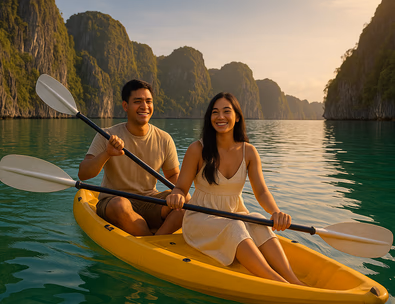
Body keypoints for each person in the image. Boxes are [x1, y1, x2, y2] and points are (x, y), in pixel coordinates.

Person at [166, 92, 304, 285]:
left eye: (226, 111)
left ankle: (293, 280)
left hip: (235, 214)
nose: (220, 117)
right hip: (201, 219)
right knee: (235, 225)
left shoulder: (249, 152)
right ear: (209, 117)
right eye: (215, 112)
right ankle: (278, 283)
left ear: (237, 117)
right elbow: (180, 188)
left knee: (257, 219)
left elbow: (262, 192)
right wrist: (177, 196)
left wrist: (276, 212)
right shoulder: (197, 149)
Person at [78, 79, 187, 236]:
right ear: (125, 106)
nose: (144, 106)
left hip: (151, 201)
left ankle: (157, 238)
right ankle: (150, 240)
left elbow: (173, 176)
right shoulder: (107, 135)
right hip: (114, 201)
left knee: (186, 201)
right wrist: (107, 153)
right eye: (138, 101)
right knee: (120, 205)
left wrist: (181, 195)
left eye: (148, 101)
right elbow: (83, 174)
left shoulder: (164, 139)